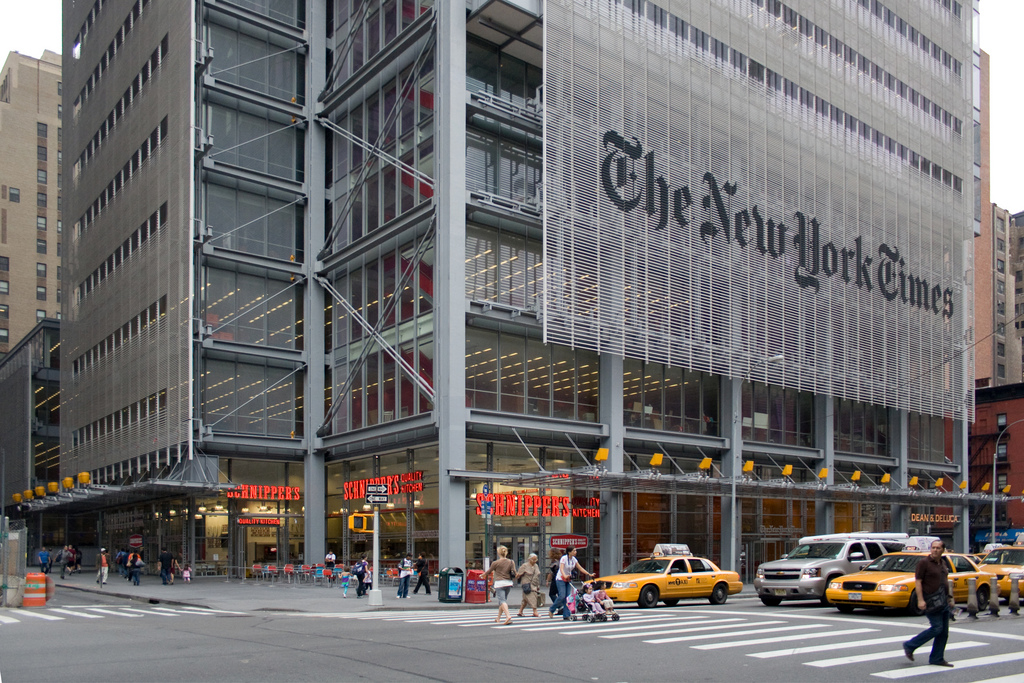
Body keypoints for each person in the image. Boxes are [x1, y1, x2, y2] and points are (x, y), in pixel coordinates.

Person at [903, 540, 955, 668]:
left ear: (943, 550)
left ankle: (937, 658)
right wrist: (920, 600)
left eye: (938, 548)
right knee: (937, 628)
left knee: (943, 632)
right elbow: (918, 582)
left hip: (943, 600)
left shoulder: (943, 563)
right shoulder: (924, 563)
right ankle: (910, 645)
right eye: (933, 548)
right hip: (931, 601)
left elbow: (944, 581)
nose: (935, 550)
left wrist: (949, 598)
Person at [549, 546, 593, 621]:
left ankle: (566, 615)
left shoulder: (574, 559)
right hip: (561, 579)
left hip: (568, 579)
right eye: (574, 551)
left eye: (575, 550)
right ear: (569, 552)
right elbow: (561, 569)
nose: (575, 552)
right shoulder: (564, 558)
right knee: (562, 595)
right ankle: (552, 609)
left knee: (567, 597)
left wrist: (589, 574)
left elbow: (580, 568)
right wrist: (564, 575)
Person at [482, 545, 517, 625]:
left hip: (499, 584)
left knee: (502, 601)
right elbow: (514, 572)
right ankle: (498, 618)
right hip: (508, 583)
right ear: (506, 553)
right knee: (502, 601)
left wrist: (482, 575)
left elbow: (489, 571)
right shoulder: (511, 562)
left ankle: (508, 616)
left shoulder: (495, 563)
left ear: (498, 553)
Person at [514, 552, 542, 618]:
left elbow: (537, 576)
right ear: (529, 559)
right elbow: (518, 574)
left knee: (525, 599)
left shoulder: (536, 566)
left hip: (534, 584)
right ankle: (535, 612)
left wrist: (538, 586)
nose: (534, 561)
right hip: (527, 584)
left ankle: (520, 611)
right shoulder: (524, 566)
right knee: (532, 597)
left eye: (536, 559)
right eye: (533, 559)